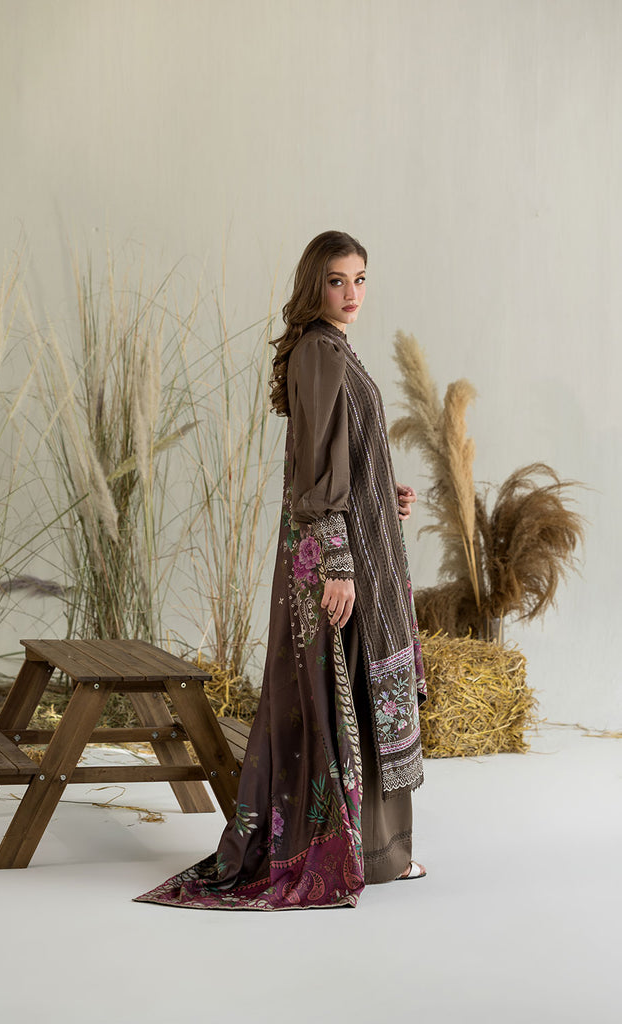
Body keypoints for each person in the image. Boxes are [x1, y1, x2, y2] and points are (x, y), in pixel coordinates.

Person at [135, 230, 427, 911]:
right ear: (312, 285)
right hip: (336, 559)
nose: (351, 293)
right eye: (336, 280)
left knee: (351, 692)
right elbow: (314, 472)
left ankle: (376, 852)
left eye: (359, 279)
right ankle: (352, 855)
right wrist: (336, 565)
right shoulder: (319, 352)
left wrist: (382, 492)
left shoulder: (331, 349)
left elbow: (340, 455)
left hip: (353, 542)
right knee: (336, 693)